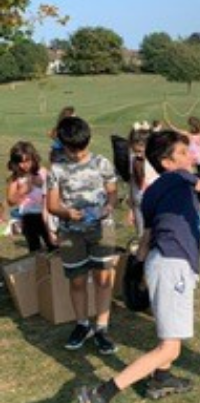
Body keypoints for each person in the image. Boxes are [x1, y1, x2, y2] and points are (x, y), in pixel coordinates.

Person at [76, 129, 200, 403]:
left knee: (172, 344)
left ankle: (161, 379)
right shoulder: (179, 178)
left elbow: (147, 236)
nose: (189, 156)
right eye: (182, 153)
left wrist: (135, 268)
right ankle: (101, 394)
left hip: (162, 261)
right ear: (166, 162)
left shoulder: (154, 191)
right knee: (169, 348)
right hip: (172, 265)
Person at [46, 116, 119, 355]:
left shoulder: (102, 163)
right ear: (62, 145)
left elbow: (112, 192)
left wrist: (108, 207)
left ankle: (101, 327)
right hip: (70, 234)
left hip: (101, 230)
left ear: (88, 141)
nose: (77, 154)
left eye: (81, 148)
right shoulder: (56, 170)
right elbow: (52, 205)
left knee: (103, 278)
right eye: (71, 150)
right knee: (77, 280)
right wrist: (66, 212)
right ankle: (82, 324)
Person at [6, 141, 57, 252]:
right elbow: (10, 201)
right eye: (19, 162)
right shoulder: (15, 178)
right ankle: (39, 267)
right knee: (34, 248)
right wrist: (22, 191)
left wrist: (43, 184)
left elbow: (54, 191)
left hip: (46, 213)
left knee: (53, 245)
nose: (23, 165)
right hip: (29, 217)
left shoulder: (42, 172)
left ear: (34, 158)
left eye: (27, 161)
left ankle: (57, 267)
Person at [127, 122, 159, 236]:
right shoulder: (132, 159)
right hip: (138, 204)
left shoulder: (156, 161)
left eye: (141, 151)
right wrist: (131, 209)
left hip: (155, 204)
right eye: (135, 151)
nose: (138, 155)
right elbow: (131, 183)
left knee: (157, 234)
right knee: (141, 235)